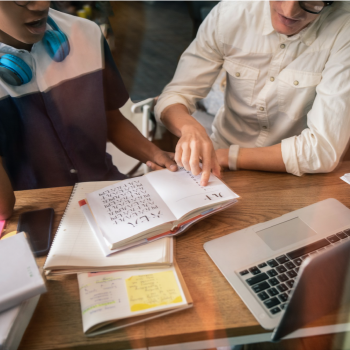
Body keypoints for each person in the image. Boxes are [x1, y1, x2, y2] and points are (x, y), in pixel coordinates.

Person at [0, 0, 177, 219]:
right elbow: (3, 209)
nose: (41, 4)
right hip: (36, 213)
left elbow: (111, 119)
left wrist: (157, 155)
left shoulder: (85, 32)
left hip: (107, 191)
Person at [154, 0, 350, 187]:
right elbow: (176, 93)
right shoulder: (230, 13)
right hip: (217, 160)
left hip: (297, 173)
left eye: (308, 2)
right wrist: (189, 127)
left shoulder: (344, 27)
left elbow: (322, 150)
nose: (289, 11)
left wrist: (224, 156)